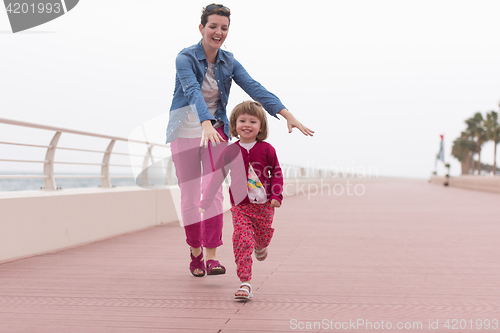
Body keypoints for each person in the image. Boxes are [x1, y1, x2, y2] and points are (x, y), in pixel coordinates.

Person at [166, 4, 313, 278]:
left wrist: (286, 113)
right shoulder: (185, 58)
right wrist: (204, 123)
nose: (218, 32)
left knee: (214, 193)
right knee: (189, 197)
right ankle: (195, 253)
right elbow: (192, 92)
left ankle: (211, 257)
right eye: (213, 27)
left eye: (224, 28)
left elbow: (254, 87)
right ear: (202, 28)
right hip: (186, 131)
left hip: (216, 130)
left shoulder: (228, 62)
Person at [200, 101, 283, 299]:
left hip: (264, 207)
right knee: (242, 240)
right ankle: (245, 282)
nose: (247, 124)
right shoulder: (230, 151)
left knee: (262, 237)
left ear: (260, 127)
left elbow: (277, 173)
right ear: (234, 125)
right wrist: (207, 199)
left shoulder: (267, 149)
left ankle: (261, 246)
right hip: (241, 207)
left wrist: (276, 195)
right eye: (242, 120)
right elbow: (218, 175)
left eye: (252, 121)